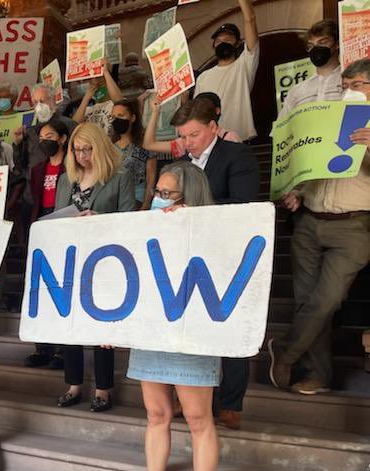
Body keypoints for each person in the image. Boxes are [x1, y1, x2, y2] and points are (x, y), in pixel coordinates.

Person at [124, 161, 220, 471]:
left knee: (198, 419)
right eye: (157, 193)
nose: (159, 200)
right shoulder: (145, 229)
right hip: (152, 331)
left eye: (168, 194)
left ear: (191, 198)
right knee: (155, 414)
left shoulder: (213, 234)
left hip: (193, 333)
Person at [269, 58, 370, 396]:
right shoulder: (326, 116)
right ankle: (317, 375)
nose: (349, 92)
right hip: (310, 220)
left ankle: (285, 350)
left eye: (357, 85)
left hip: (353, 227)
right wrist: (296, 192)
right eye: (345, 86)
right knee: (305, 300)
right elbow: (310, 165)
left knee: (326, 301)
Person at [170, 96, 260, 430]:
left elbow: (243, 203)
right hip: (188, 256)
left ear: (212, 127)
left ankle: (231, 404)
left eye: (193, 135)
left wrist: (193, 208)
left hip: (228, 257)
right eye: (182, 136)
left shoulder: (237, 155)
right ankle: (191, 396)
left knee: (229, 331)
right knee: (191, 331)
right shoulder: (182, 165)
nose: (186, 142)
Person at [54, 122, 136, 411]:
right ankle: (73, 384)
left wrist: (99, 217)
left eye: (87, 149)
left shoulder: (119, 177)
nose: (81, 155)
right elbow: (55, 217)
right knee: (71, 325)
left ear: (99, 147)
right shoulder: (66, 179)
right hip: (71, 258)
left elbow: (129, 218)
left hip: (106, 260)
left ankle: (103, 389)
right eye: (76, 150)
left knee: (102, 328)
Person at [23, 117, 69, 370]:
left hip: (64, 224)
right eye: (41, 138)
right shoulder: (38, 169)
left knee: (60, 286)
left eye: (50, 137)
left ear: (62, 139)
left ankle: (62, 349)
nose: (44, 142)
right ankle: (42, 347)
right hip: (42, 225)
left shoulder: (71, 166)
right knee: (39, 287)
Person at [193, 0, 260, 141]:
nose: (222, 43)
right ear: (213, 47)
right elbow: (197, 113)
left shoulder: (244, 65)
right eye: (218, 41)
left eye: (228, 39)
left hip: (239, 140)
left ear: (238, 44)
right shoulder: (203, 77)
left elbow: (250, 19)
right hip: (210, 143)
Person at [143, 92, 242, 162]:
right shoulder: (184, 143)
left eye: (195, 134)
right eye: (184, 137)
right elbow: (149, 144)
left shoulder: (230, 138)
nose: (188, 143)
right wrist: (155, 112)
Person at [278, 19, 343, 118]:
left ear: (337, 44)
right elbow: (281, 130)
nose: (316, 48)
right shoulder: (296, 91)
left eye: (322, 42)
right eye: (311, 45)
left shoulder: (350, 82)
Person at [110, 99, 157, 209]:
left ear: (133, 118)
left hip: (137, 199)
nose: (116, 120)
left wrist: (145, 204)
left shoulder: (145, 144)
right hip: (113, 201)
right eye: (113, 117)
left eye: (121, 115)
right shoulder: (109, 146)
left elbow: (151, 178)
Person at [72, 59, 125, 134]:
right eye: (91, 79)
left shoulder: (114, 106)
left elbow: (119, 101)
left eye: (100, 78)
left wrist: (105, 72)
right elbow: (74, 124)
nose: (96, 81)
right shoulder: (87, 110)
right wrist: (86, 98)